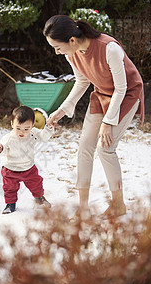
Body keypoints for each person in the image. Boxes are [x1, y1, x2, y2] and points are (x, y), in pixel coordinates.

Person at [43, 15, 144, 219]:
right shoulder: (71, 53)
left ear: (71, 40)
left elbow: (122, 87)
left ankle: (118, 205)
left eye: (57, 47)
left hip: (126, 94)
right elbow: (82, 81)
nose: (56, 52)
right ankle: (83, 209)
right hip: (101, 94)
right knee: (84, 148)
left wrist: (108, 122)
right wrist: (62, 110)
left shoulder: (109, 48)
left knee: (105, 148)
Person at [0, 106, 54, 214]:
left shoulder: (33, 134)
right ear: (12, 124)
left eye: (26, 129)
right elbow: (3, 149)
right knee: (9, 188)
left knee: (36, 183)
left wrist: (48, 128)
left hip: (28, 168)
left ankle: (39, 198)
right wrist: (0, 149)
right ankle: (10, 204)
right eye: (18, 128)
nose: (22, 132)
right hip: (10, 169)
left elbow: (43, 136)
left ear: (32, 126)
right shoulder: (8, 138)